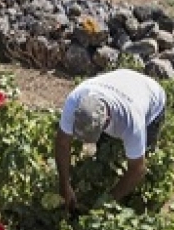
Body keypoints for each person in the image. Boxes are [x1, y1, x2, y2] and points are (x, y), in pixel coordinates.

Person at [54, 68, 167, 211]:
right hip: (120, 79)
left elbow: (138, 169)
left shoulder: (132, 122)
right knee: (104, 156)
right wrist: (64, 184)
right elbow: (62, 143)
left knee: (145, 155)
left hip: (152, 95)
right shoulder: (75, 101)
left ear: (106, 120)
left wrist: (106, 203)